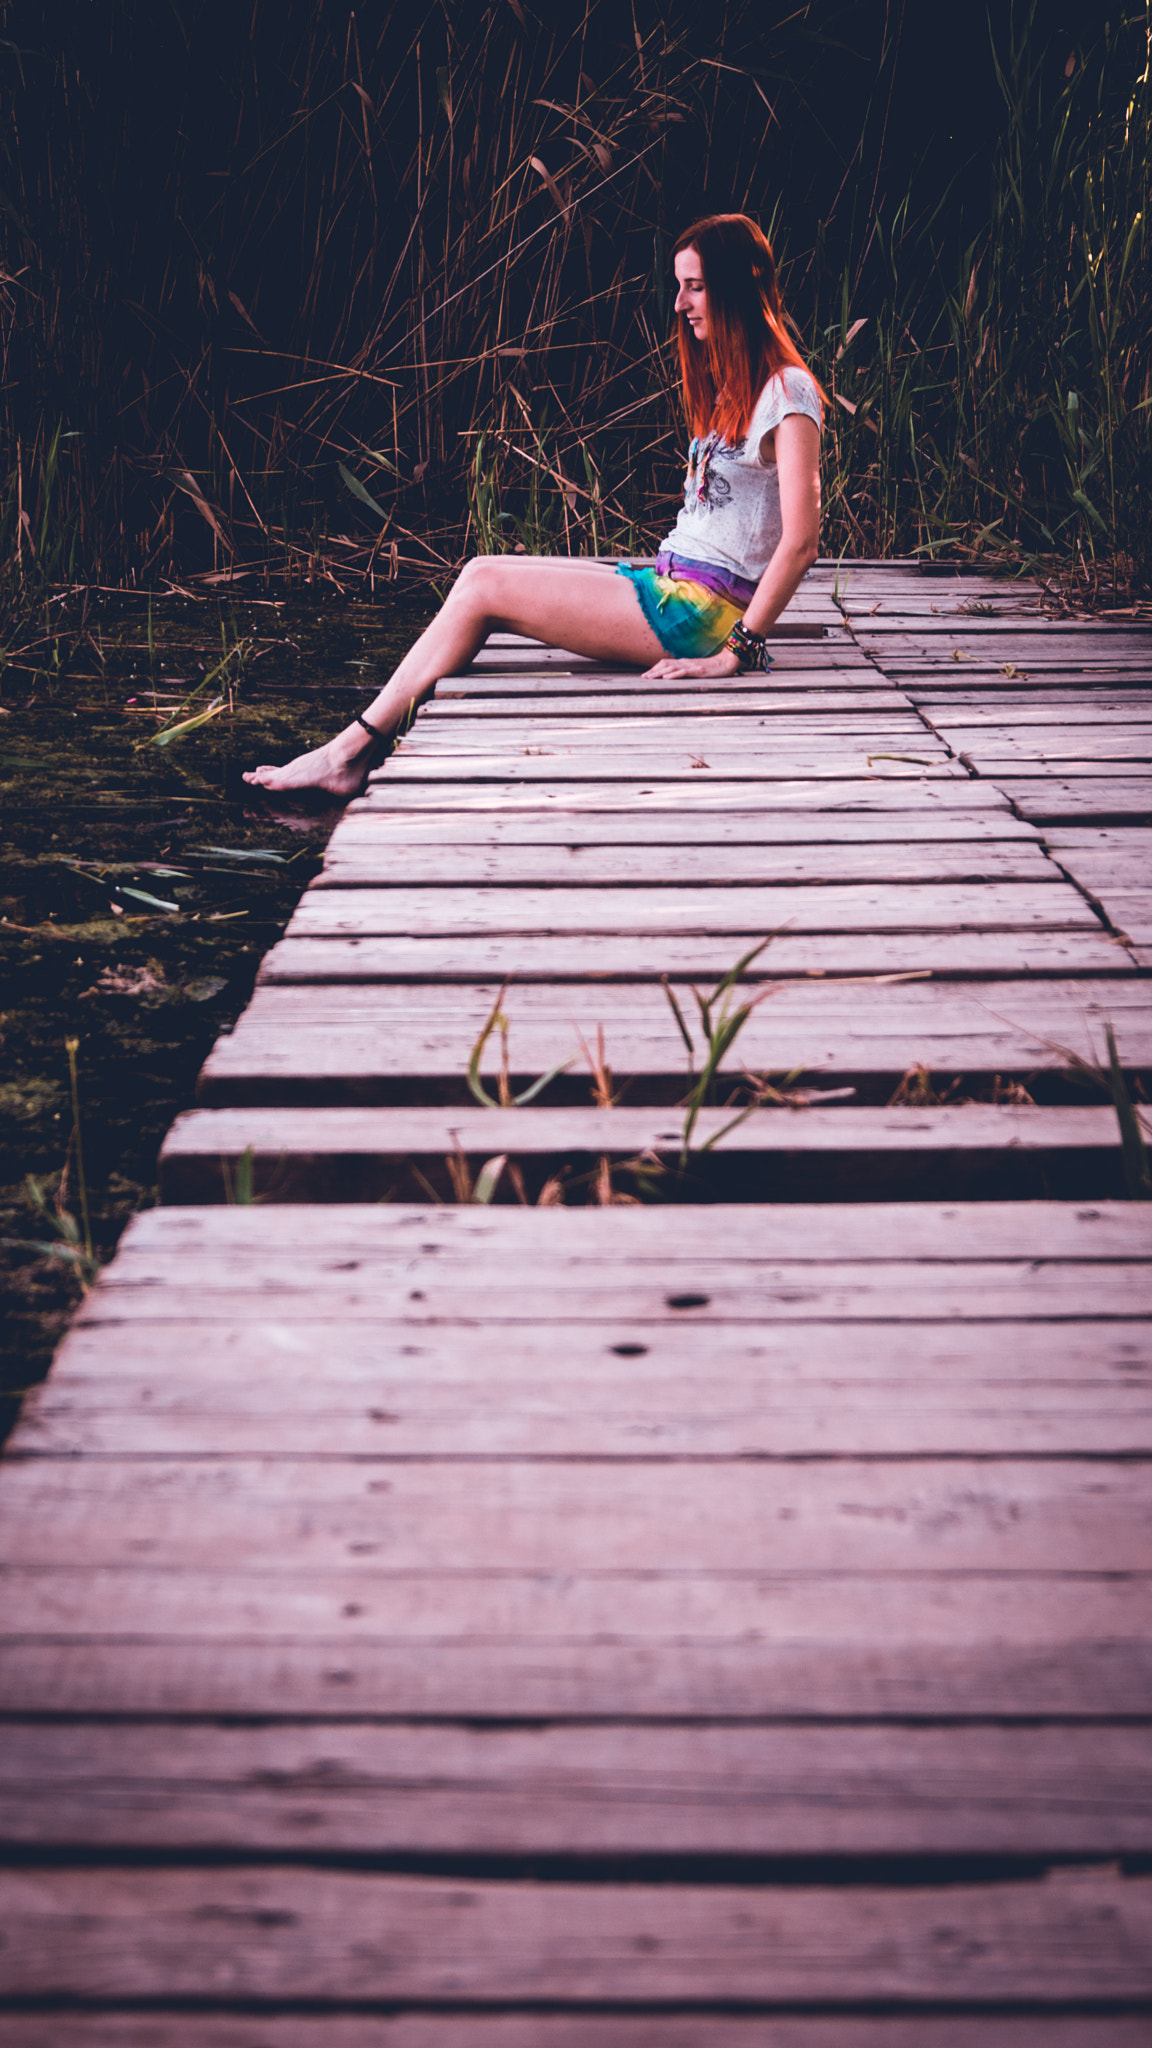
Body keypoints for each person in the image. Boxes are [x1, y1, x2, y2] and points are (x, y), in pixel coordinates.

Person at [243, 212, 823, 796]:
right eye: (680, 286)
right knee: (479, 572)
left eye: (695, 286)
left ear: (739, 284)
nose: (679, 303)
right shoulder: (731, 385)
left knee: (485, 588)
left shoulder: (787, 391)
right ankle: (354, 749)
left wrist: (737, 652)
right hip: (674, 588)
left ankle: (346, 752)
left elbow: (801, 540)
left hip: (702, 613)